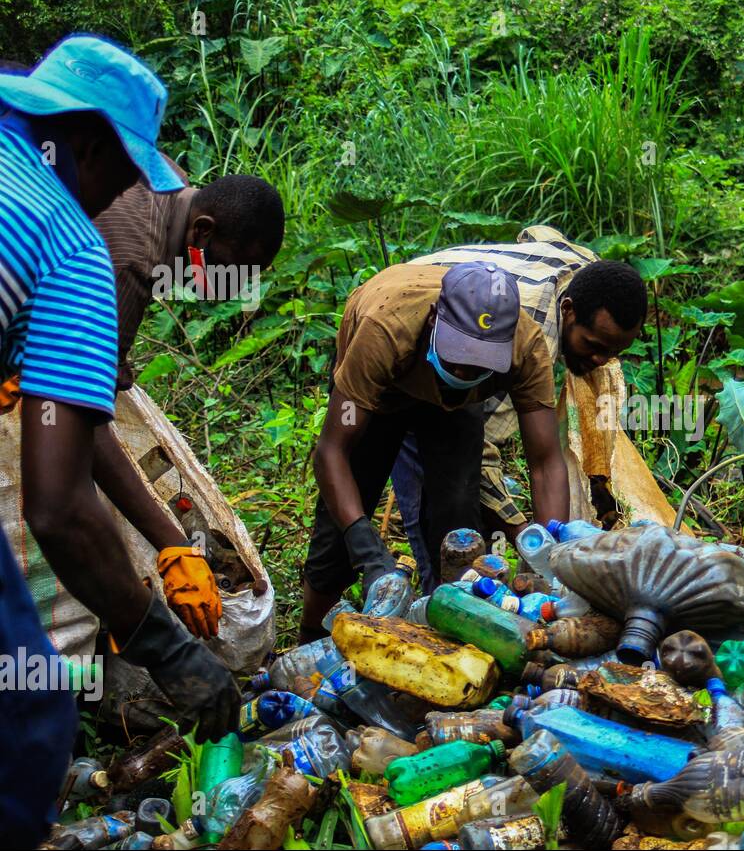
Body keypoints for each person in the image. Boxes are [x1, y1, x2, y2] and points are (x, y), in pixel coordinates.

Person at [0, 35, 238, 847]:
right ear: (91, 142)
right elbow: (62, 498)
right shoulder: (80, 248)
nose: (120, 196)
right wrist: (162, 641)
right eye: (125, 174)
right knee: (27, 712)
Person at [300, 254, 627, 640]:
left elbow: (544, 462)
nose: (465, 371)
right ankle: (308, 641)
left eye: (480, 362)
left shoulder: (525, 346)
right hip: (378, 396)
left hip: (458, 406)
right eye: (460, 357)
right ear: (437, 318)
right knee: (338, 540)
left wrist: (548, 559)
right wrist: (366, 548)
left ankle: (448, 633)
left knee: (457, 521)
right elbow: (332, 451)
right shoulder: (383, 332)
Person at [388, 226, 646, 591]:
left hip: (464, 306)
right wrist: (520, 531)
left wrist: (591, 489)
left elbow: (540, 234)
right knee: (447, 512)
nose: (601, 360)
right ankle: (440, 598)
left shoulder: (591, 273)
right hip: (415, 331)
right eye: (593, 345)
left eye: (613, 351)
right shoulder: (521, 339)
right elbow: (479, 451)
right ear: (568, 312)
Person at [90, 170, 284, 638]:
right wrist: (173, 547)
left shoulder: (172, 186)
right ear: (203, 232)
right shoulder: (132, 261)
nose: (239, 289)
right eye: (238, 268)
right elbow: (83, 425)